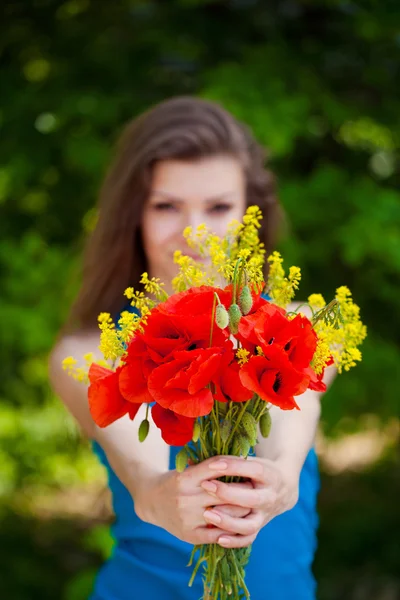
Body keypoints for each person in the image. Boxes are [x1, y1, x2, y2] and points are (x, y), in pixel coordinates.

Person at [49, 96, 335, 600]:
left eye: (219, 207)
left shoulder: (305, 327)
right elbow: (142, 468)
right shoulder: (90, 351)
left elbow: (295, 410)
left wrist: (282, 479)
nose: (193, 234)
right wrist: (157, 495)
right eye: (166, 206)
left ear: (252, 213)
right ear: (131, 217)